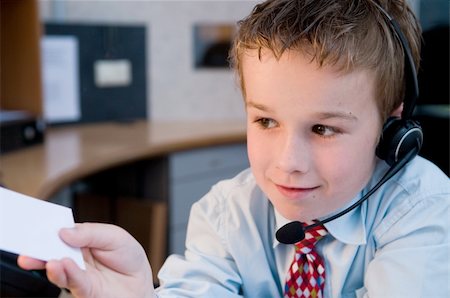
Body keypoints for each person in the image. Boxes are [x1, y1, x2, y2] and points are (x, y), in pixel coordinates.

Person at [19, 0, 450, 297]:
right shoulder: (226, 213)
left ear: (392, 128)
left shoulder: (420, 209)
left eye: (323, 128)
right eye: (265, 121)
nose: (288, 164)